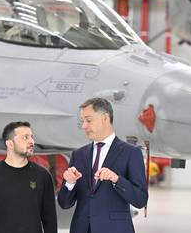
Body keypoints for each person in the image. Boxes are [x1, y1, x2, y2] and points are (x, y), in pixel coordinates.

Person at [58, 98, 148, 233]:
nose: (83, 126)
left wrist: (117, 179)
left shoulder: (131, 153)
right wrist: (69, 184)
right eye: (82, 121)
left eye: (88, 120)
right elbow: (64, 203)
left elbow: (140, 200)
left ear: (105, 118)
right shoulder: (78, 154)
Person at [0, 121, 57, 233]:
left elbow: (50, 220)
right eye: (25, 137)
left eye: (32, 137)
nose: (31, 141)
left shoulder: (43, 176)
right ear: (10, 144)